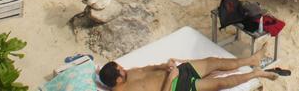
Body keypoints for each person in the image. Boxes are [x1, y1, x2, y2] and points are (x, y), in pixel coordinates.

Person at [97, 44, 278, 90]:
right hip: (177, 86)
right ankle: (256, 74)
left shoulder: (128, 73)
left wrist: (163, 66)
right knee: (220, 84)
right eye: (121, 70)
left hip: (175, 72)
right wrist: (171, 78)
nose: (124, 69)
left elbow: (147, 69)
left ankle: (251, 60)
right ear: (117, 80)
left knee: (214, 61)